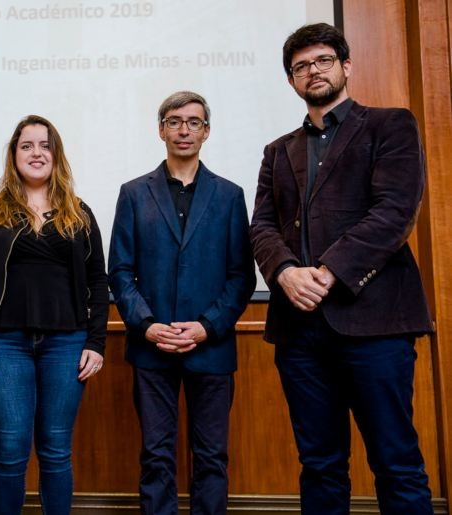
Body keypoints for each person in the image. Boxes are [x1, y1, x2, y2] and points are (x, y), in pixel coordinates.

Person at [249, 22, 434, 514]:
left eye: (322, 61)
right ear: (291, 80)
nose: (312, 71)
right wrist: (286, 272)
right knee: (320, 465)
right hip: (299, 333)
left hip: (374, 325)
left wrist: (328, 272)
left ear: (345, 66)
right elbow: (262, 226)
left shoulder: (391, 125)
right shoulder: (277, 151)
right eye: (301, 66)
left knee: (396, 462)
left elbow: (395, 211)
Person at [108, 91, 255, 515]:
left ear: (206, 131)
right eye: (174, 121)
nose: (184, 130)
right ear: (161, 130)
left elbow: (241, 275)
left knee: (211, 458)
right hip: (151, 348)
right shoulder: (134, 193)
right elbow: (120, 270)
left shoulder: (229, 195)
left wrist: (206, 326)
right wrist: (147, 325)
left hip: (211, 347)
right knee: (156, 456)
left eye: (193, 122)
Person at [0, 115, 108, 515]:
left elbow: (99, 280)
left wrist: (96, 342)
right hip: (5, 343)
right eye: (27, 146)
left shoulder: (80, 213)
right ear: (14, 155)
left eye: (45, 145)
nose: (36, 153)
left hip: (67, 343)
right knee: (10, 448)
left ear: (56, 155)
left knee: (56, 449)